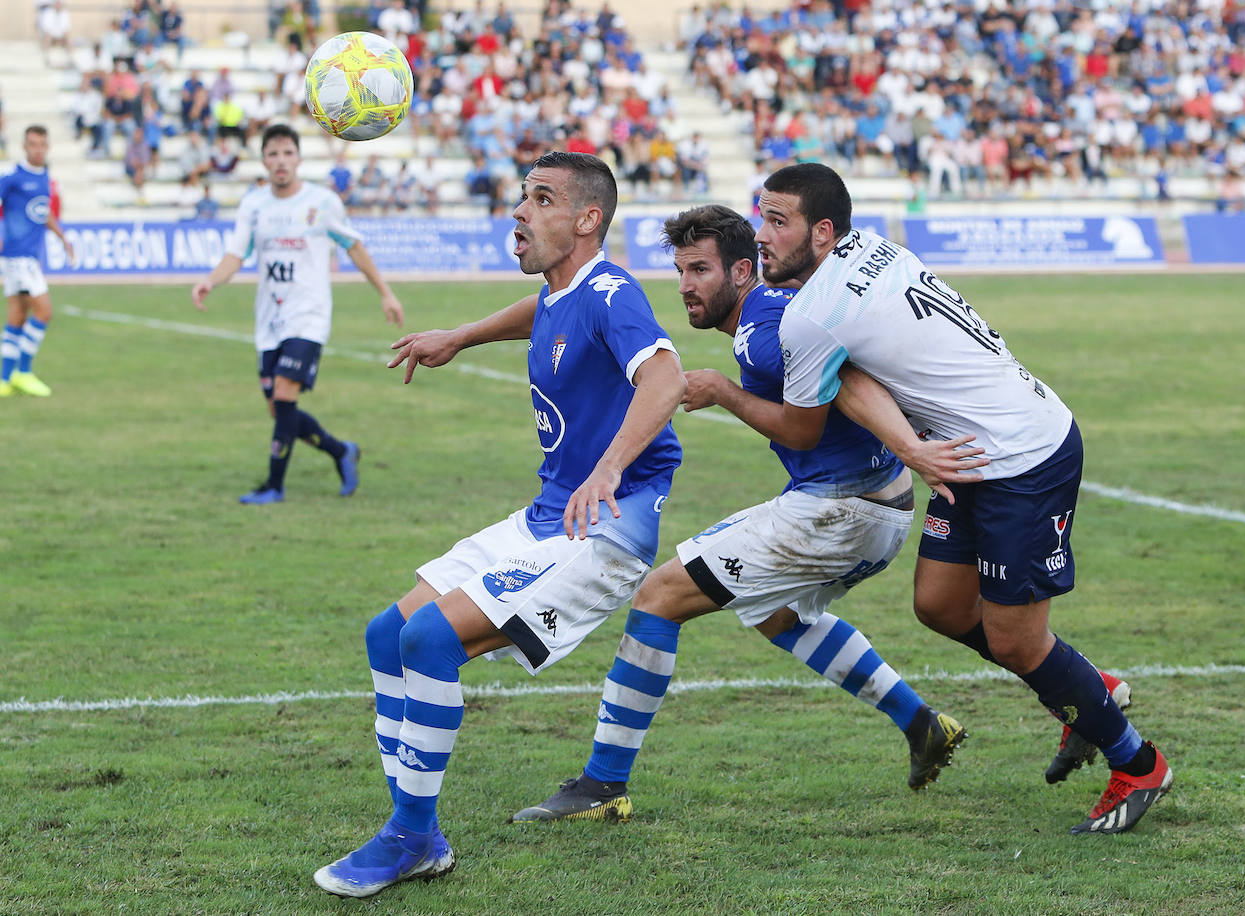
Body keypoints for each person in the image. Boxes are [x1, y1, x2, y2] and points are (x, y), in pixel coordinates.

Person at [509, 203, 971, 824]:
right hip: (872, 506)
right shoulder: (766, 319)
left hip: (843, 509)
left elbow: (846, 381)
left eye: (700, 270)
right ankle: (922, 724)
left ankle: (603, 785)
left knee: (658, 597)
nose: (685, 287)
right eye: (679, 271)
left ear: (744, 272)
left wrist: (725, 392)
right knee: (774, 612)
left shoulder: (762, 326)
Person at [312, 151, 686, 898]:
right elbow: (539, 317)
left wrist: (610, 468)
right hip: (547, 516)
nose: (519, 211)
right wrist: (460, 335)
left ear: (587, 220)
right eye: (522, 195)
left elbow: (666, 377)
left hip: (603, 527)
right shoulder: (563, 290)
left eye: (540, 199)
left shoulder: (612, 291)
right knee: (387, 633)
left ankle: (410, 837)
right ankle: (409, 821)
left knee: (430, 638)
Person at [755, 162, 1170, 836]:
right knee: (941, 606)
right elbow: (852, 368)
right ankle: (1093, 690)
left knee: (1013, 638)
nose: (761, 236)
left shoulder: (812, 316)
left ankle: (1138, 762)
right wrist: (914, 448)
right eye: (760, 217)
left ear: (824, 233)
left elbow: (804, 425)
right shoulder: (876, 247)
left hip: (1020, 458)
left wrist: (723, 393)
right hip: (968, 453)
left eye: (777, 221)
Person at [191, 124, 404, 504]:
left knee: (285, 394)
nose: (280, 161)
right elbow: (236, 255)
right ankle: (342, 451)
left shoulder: (321, 203)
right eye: (272, 154)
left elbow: (354, 247)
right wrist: (211, 280)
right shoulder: (254, 204)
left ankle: (273, 486)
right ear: (263, 161)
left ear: (298, 158)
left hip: (308, 317)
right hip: (269, 320)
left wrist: (385, 293)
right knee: (279, 409)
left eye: (287, 153)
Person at [1, 125, 75, 398]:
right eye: (32, 144)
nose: (37, 149)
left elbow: (42, 212)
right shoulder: (12, 178)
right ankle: (24, 371)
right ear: (24, 146)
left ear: (48, 146)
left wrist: (62, 238)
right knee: (44, 312)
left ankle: (5, 379)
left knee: (17, 316)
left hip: (27, 256)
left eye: (42, 144)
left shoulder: (44, 175)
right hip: (17, 256)